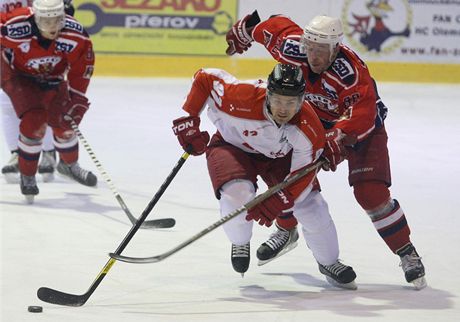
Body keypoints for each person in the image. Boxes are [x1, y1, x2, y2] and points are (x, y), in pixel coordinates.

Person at [224, 11, 426, 289]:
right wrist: (246, 29)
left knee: (371, 194)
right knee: (289, 172)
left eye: (322, 50)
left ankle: (407, 253)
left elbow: (363, 115)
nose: (314, 56)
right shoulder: (293, 48)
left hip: (362, 131)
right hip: (316, 123)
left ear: (336, 47)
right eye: (310, 47)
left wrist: (338, 138)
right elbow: (272, 28)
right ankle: (286, 230)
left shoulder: (351, 73)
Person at [172, 63, 357, 289]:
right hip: (232, 147)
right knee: (238, 195)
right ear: (268, 93)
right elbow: (204, 78)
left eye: (291, 103)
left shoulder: (308, 126)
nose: (283, 109)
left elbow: (302, 174)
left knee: (311, 206)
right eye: (278, 100)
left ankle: (329, 262)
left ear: (301, 101)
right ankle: (240, 242)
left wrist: (282, 198)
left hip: (279, 157)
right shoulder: (240, 97)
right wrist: (188, 119)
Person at [0, 0, 97, 203]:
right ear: (35, 17)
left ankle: (69, 165)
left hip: (53, 78)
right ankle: (27, 176)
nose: (52, 26)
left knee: (66, 123)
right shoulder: (16, 26)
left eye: (57, 20)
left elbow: (83, 66)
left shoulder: (75, 34)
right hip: (19, 77)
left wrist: (77, 96)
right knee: (34, 122)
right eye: (46, 20)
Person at [1, 0, 75, 183]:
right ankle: (18, 153)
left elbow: (62, 13)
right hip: (8, 52)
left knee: (46, 101)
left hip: (37, 48)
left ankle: (48, 151)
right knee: (7, 103)